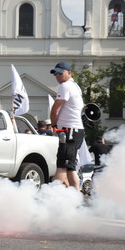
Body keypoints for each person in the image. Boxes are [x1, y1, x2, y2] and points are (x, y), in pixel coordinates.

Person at [49, 62, 85, 191]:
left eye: (60, 72)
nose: (57, 76)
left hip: (69, 130)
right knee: (70, 166)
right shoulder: (75, 86)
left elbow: (55, 109)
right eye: (55, 73)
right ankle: (75, 195)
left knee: (62, 165)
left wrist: (54, 125)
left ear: (69, 73)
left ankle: (49, 194)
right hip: (75, 129)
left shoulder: (65, 86)